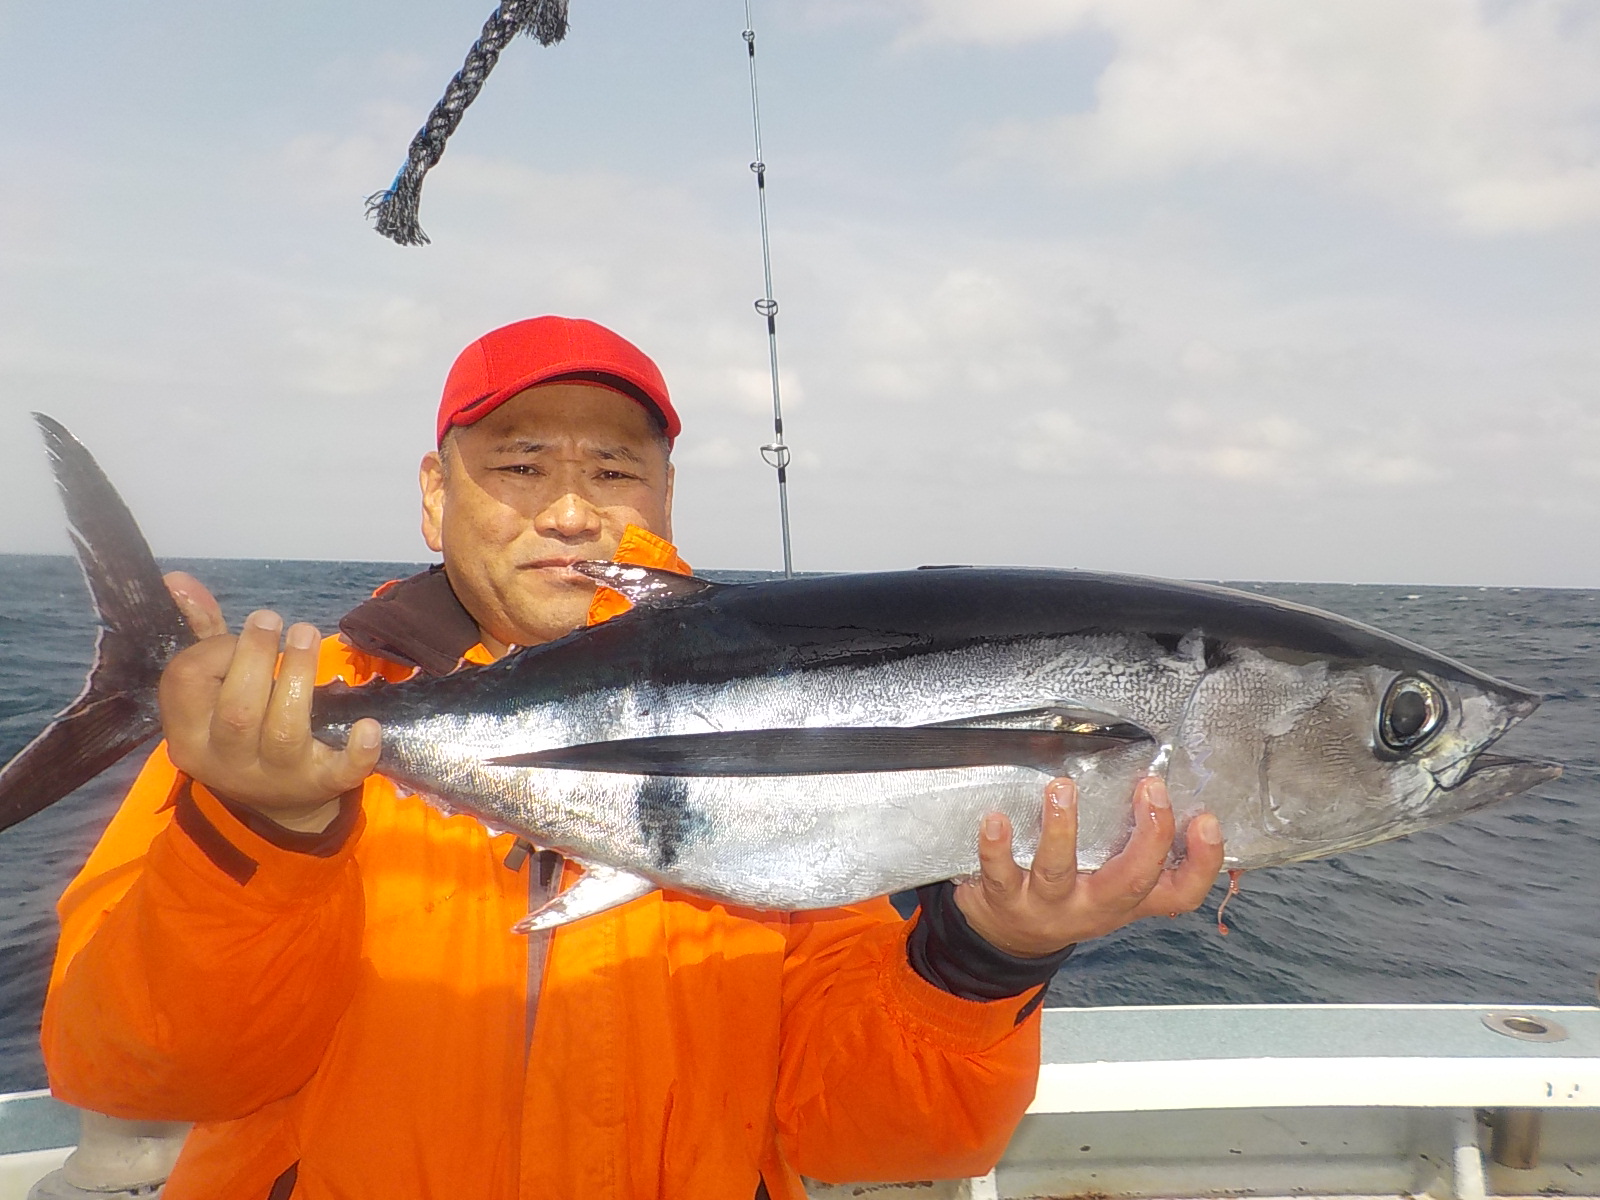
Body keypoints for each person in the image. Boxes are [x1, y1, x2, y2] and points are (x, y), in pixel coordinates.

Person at [42, 316, 1225, 1199]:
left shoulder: (787, 749)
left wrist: (985, 955)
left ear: (663, 495)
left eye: (614, 470)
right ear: (433, 497)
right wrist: (260, 828)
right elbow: (137, 1073)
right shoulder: (272, 745)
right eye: (519, 466)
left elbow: (880, 1136)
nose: (570, 511)